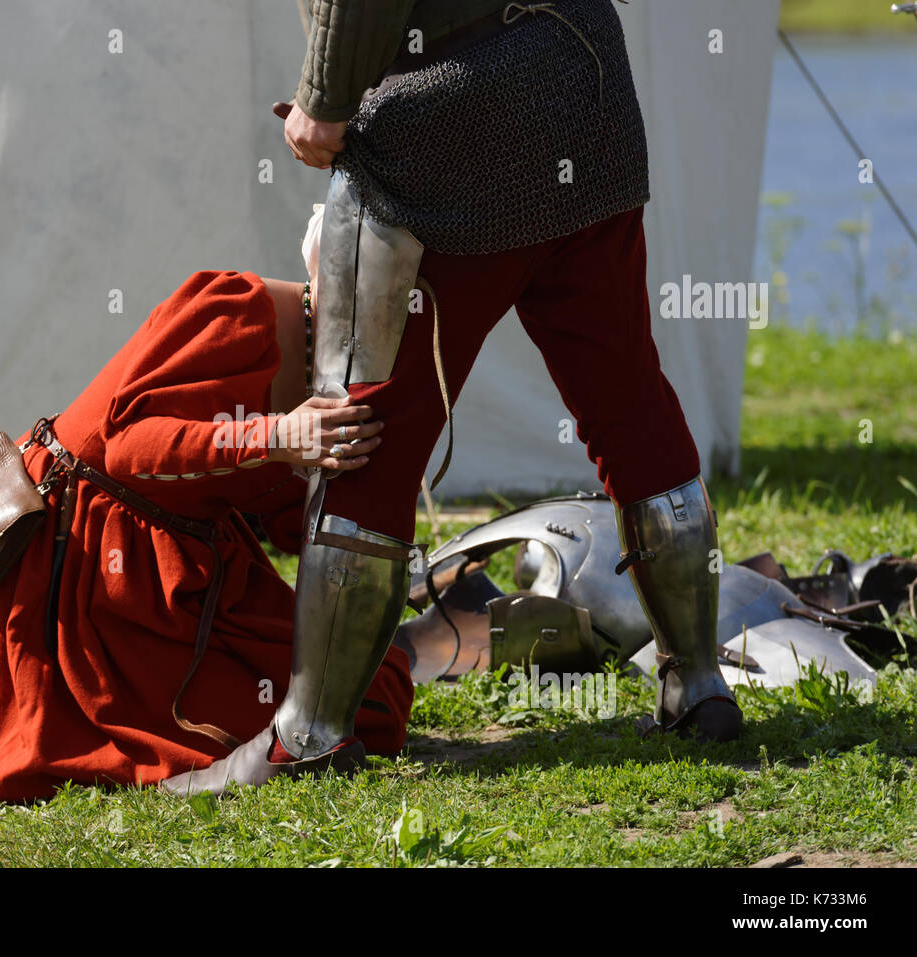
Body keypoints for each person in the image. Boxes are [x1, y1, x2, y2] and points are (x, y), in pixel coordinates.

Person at [162, 0, 741, 798]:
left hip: (446, 123)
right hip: (583, 84)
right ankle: (699, 681)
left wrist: (322, 105)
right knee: (629, 397)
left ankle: (310, 734)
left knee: (367, 429)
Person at [0, 269, 412, 800]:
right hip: (82, 559)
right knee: (305, 715)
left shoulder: (338, 367)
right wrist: (279, 435)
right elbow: (132, 447)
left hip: (182, 560)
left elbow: (285, 514)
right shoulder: (236, 306)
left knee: (371, 693)